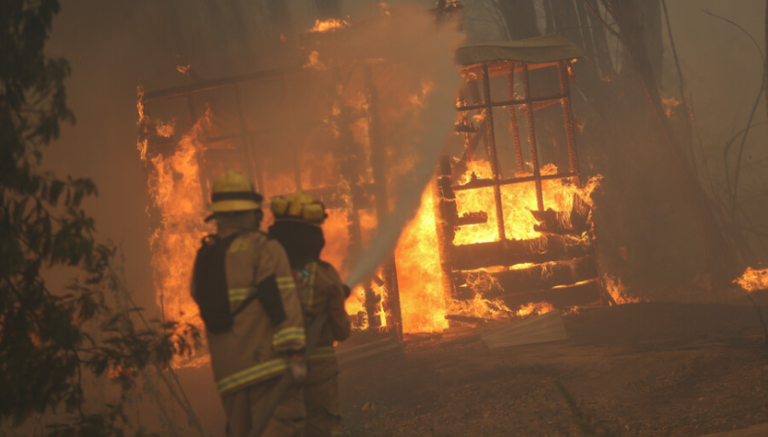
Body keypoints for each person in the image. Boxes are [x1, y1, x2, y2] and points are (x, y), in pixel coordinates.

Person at [191, 170, 307, 437]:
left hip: (229, 377)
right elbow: (281, 302)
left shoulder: (205, 256)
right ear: (252, 212)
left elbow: (198, 297)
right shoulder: (263, 247)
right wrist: (297, 353)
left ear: (217, 215)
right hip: (269, 370)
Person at [269, 191, 352, 437]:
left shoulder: (265, 272)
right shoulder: (324, 275)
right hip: (317, 373)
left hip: (273, 372)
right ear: (314, 238)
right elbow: (342, 331)